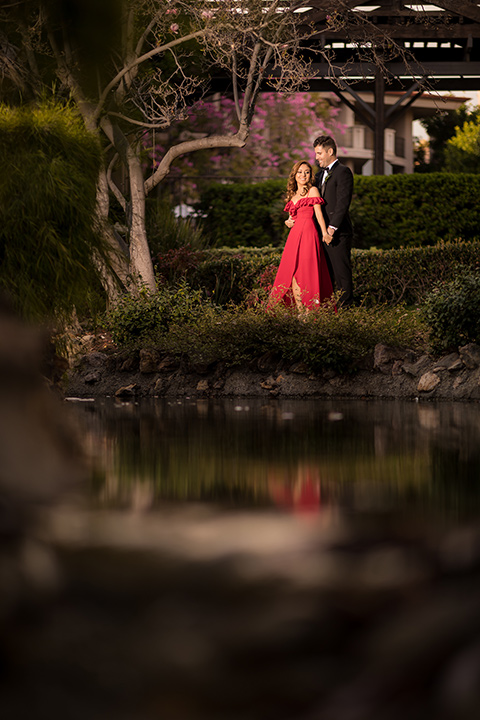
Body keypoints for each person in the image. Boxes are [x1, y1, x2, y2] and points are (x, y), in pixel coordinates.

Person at [269, 160, 333, 315]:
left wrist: (325, 233)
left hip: (309, 235)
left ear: (310, 175)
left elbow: (319, 215)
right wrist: (288, 221)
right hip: (294, 236)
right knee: (292, 275)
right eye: (300, 172)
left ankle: (309, 313)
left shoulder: (313, 191)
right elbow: (292, 218)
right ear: (294, 175)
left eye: (306, 172)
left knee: (307, 272)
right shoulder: (292, 195)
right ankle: (300, 312)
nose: (303, 175)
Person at [313, 134, 354, 307]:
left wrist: (331, 229)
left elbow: (343, 204)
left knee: (341, 274)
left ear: (330, 151)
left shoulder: (343, 172)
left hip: (338, 233)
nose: (316, 158)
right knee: (326, 274)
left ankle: (346, 311)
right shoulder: (319, 175)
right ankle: (329, 310)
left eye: (319, 153)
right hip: (320, 232)